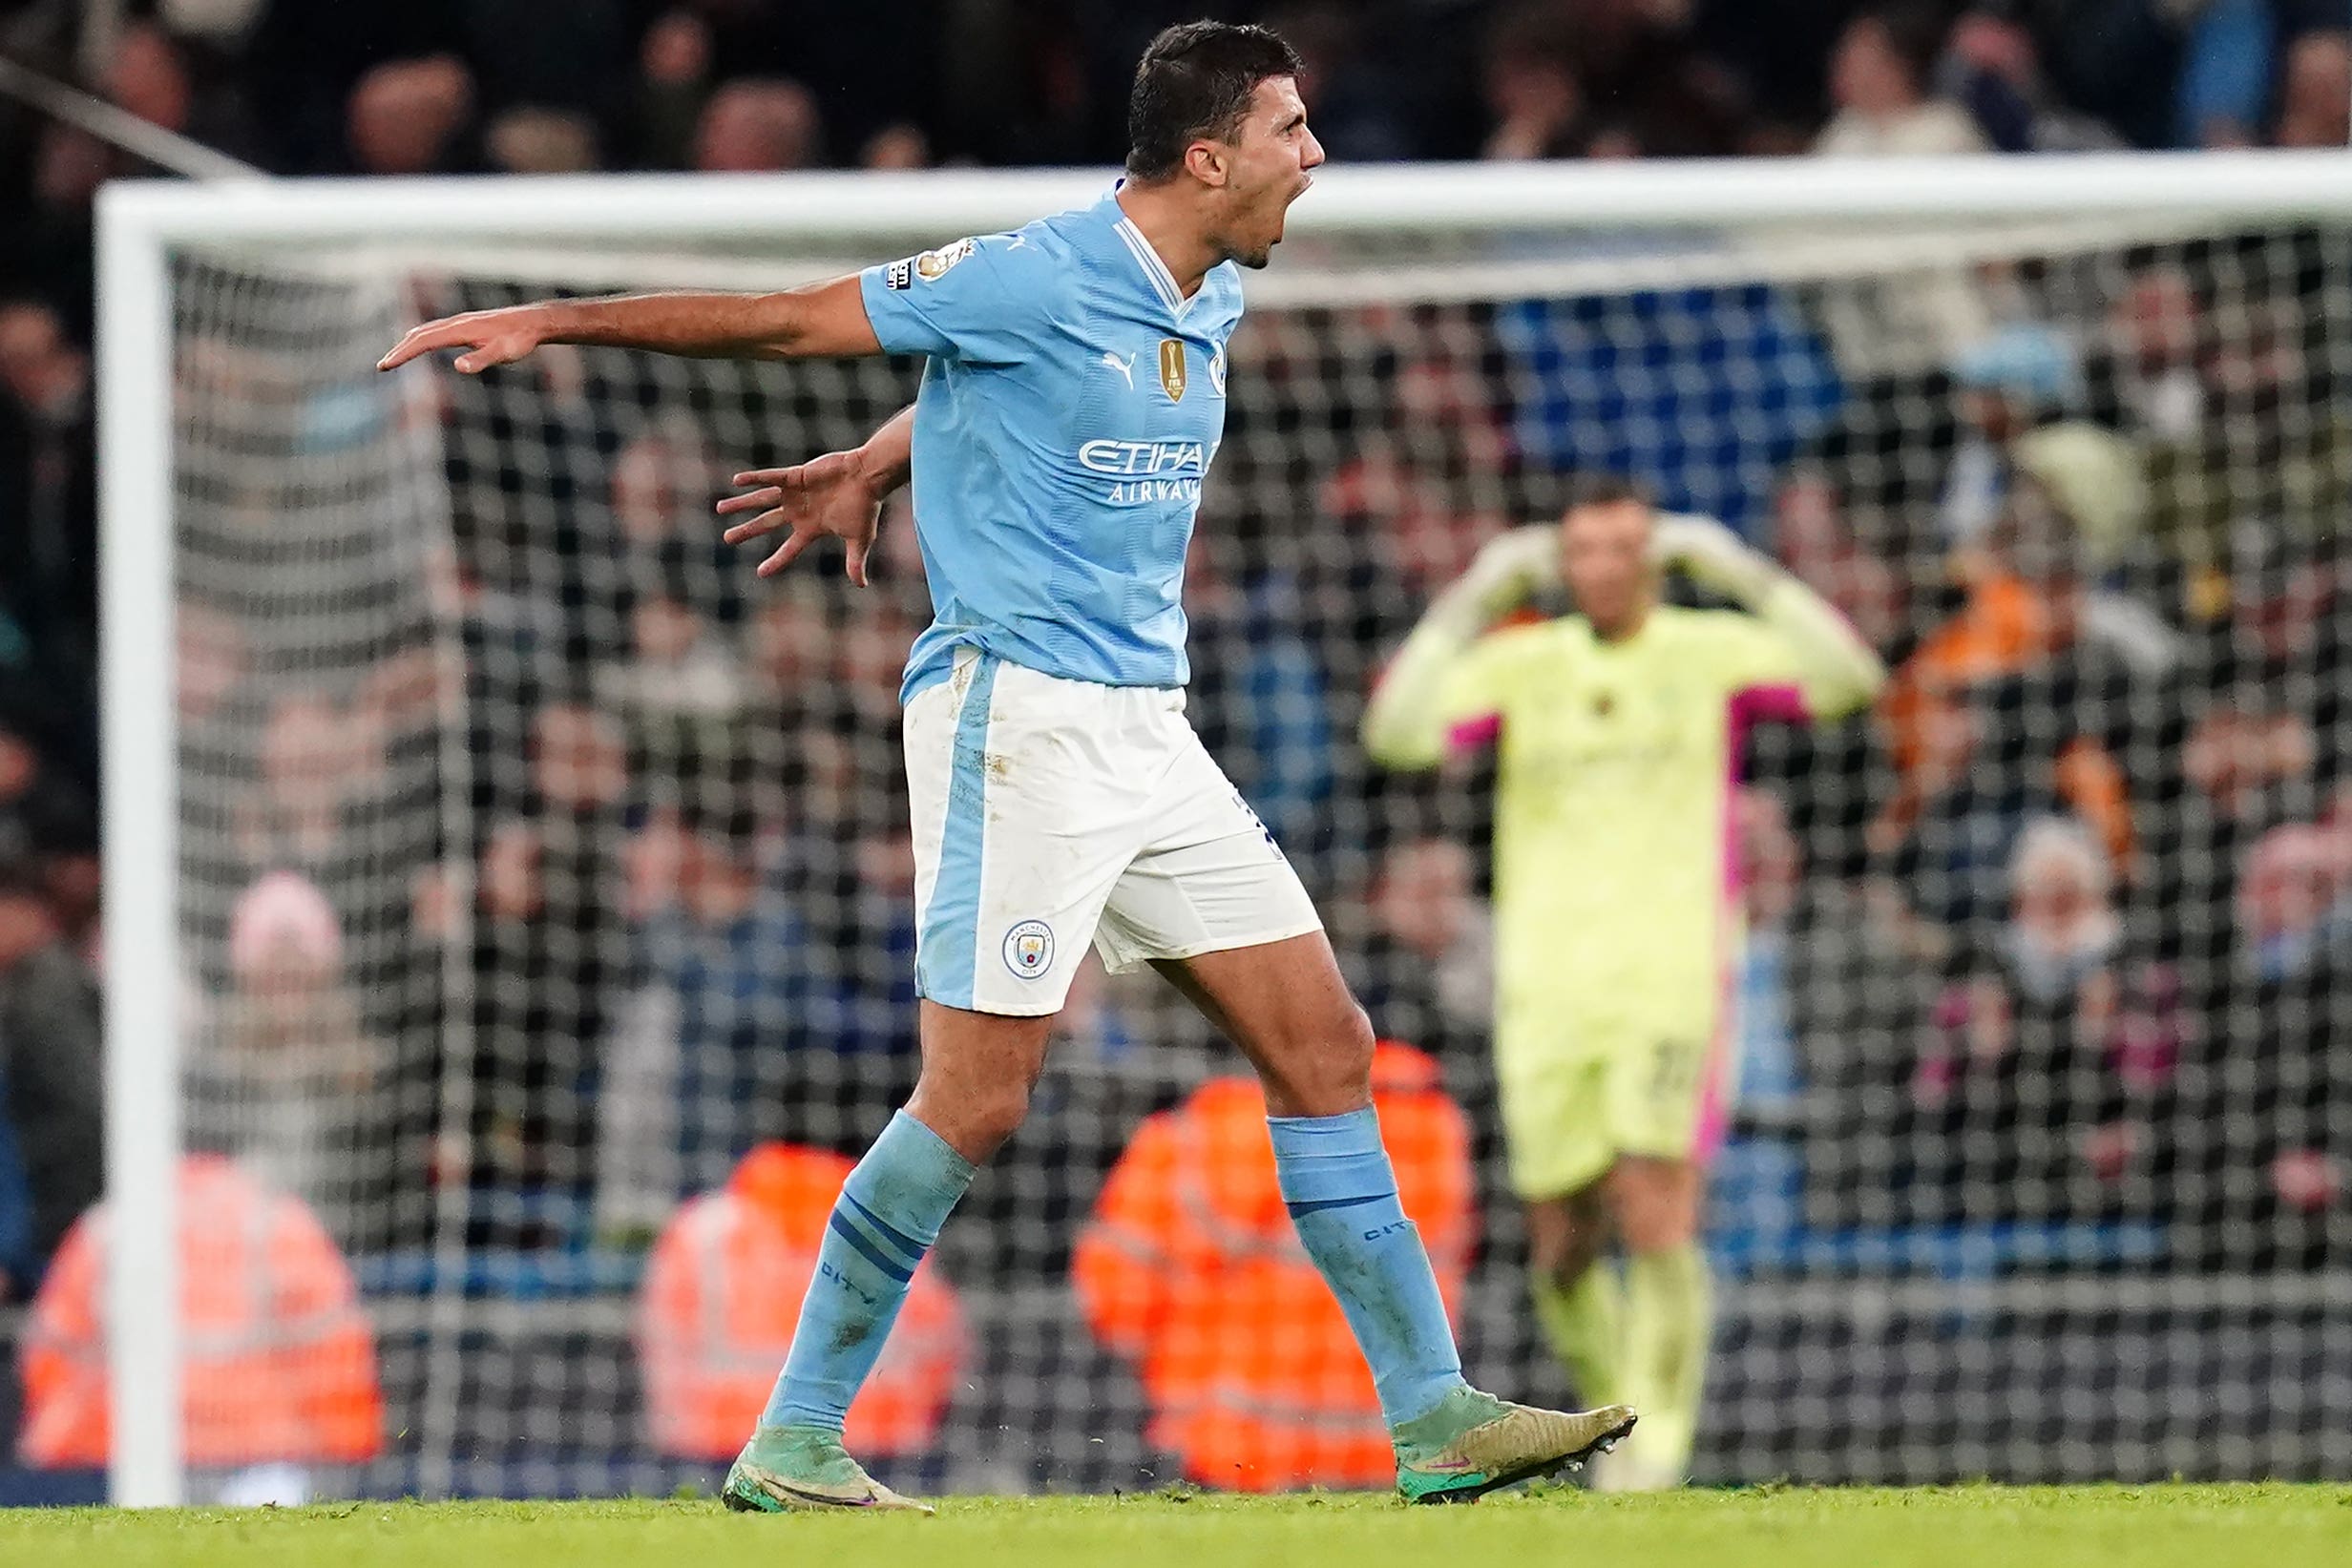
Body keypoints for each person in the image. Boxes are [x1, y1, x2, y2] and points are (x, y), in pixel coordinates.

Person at [381, 20, 1632, 1513]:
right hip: (1016, 717)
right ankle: (794, 1436)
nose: (1317, 157)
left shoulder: (1211, 288)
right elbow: (794, 321)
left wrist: (881, 457)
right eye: (1293, 130)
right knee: (976, 1096)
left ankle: (1432, 1416)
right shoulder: (1034, 269)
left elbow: (1013, 390)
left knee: (1324, 1043)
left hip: (1145, 726)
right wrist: (560, 322)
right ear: (1207, 154)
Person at [1360, 476, 1886, 1489]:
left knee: (1654, 1205)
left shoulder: (1706, 653)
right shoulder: (1522, 664)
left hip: (1671, 972)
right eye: (1581, 550)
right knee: (1558, 1242)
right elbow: (1395, 732)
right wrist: (1474, 593)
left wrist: (1734, 568)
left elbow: (1848, 676)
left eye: (1622, 548)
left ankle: (1655, 1449)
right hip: (1544, 986)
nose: (1600, 567)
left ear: (1654, 561)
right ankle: (1616, 1416)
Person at [1073, 1039, 1474, 1492]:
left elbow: (1116, 1303)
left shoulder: (1195, 1137)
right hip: (1393, 1451)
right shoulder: (1434, 1125)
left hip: (1237, 1453)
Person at [637, 1142, 965, 1467]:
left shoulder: (698, 1229)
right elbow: (938, 1343)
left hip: (713, 1444)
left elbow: (662, 1338)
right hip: (875, 1443)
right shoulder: (891, 1228)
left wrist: (678, 1424)